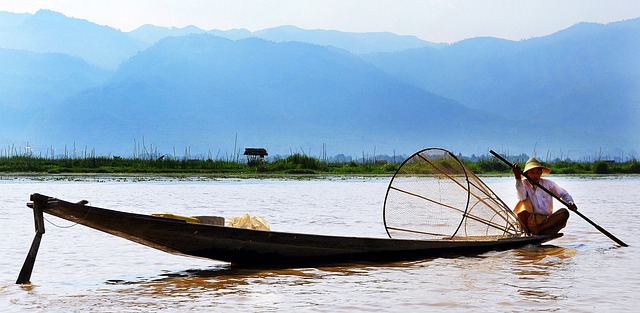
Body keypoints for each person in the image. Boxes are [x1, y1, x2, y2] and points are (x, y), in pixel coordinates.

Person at [511, 157, 577, 235]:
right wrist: (518, 178)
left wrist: (570, 203)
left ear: (541, 173)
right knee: (521, 210)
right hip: (531, 222)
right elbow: (522, 197)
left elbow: (563, 194)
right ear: (526, 174)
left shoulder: (548, 184)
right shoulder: (522, 184)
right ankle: (530, 232)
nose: (535, 175)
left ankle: (539, 230)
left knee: (564, 213)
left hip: (547, 222)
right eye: (532, 172)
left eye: (537, 172)